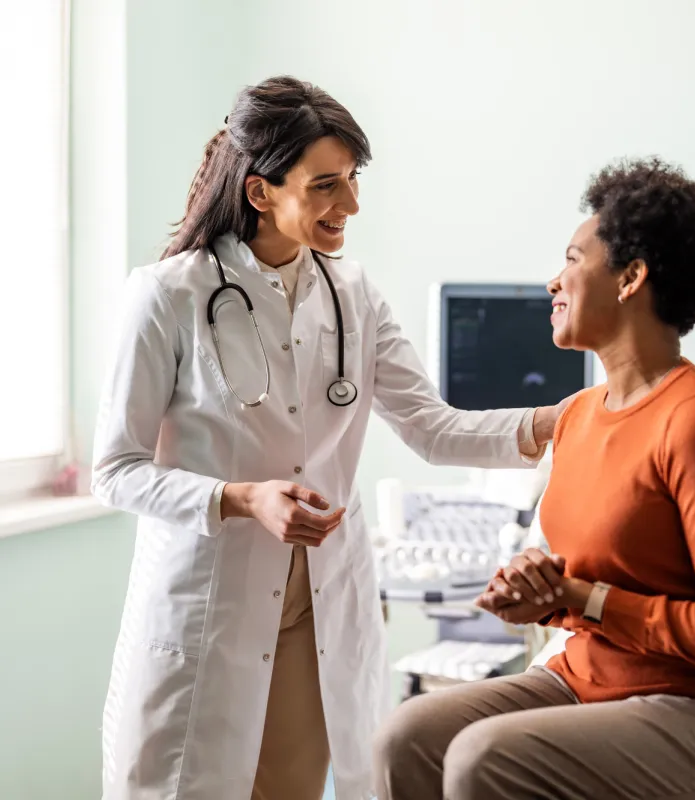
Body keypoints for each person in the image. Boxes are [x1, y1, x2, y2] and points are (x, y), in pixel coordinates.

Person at [90, 75, 568, 800]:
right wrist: (243, 498)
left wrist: (565, 420)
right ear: (260, 192)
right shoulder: (168, 296)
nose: (350, 205)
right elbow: (116, 470)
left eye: (352, 180)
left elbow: (434, 430)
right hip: (210, 606)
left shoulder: (354, 294)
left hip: (316, 609)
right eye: (325, 186)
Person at [373, 157, 695, 800]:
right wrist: (539, 587)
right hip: (587, 678)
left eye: (572, 259)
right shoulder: (578, 418)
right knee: (405, 738)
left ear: (631, 278)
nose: (552, 281)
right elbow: (591, 568)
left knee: (483, 759)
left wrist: (581, 598)